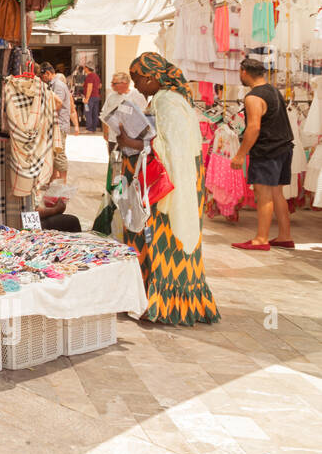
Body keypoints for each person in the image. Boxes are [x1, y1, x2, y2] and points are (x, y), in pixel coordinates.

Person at [116, 53, 219, 325]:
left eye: (137, 78)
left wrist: (132, 142)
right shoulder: (164, 99)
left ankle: (165, 304)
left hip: (171, 188)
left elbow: (173, 150)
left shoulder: (168, 102)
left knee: (164, 242)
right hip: (170, 184)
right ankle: (147, 298)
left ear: (151, 77)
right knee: (152, 241)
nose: (136, 84)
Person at [230, 57, 295, 250]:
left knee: (264, 194)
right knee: (277, 193)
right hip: (284, 147)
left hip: (267, 150)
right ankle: (284, 236)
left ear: (244, 71)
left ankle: (261, 239)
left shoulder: (253, 97)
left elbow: (253, 128)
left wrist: (240, 154)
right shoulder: (274, 91)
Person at [40, 64, 72, 181]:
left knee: (59, 153)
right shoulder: (53, 84)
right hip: (55, 124)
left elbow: (57, 104)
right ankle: (52, 179)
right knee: (54, 153)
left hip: (59, 124)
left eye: (43, 77)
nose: (43, 80)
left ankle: (63, 182)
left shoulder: (58, 85)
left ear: (47, 73)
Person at [82, 65, 102, 132]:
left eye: (84, 68)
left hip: (90, 98)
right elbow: (99, 86)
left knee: (88, 112)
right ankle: (94, 128)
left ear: (87, 68)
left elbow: (90, 87)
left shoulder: (89, 76)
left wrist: (87, 98)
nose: (84, 69)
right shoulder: (96, 76)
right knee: (95, 113)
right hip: (96, 97)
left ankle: (89, 128)